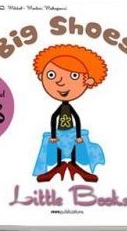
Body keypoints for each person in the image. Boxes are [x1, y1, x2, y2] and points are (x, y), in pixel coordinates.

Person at [32, 44, 107, 182]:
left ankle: (73, 165)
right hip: (59, 132)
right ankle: (59, 166)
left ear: (87, 81)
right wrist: (53, 135)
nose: (61, 82)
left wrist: (78, 135)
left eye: (74, 75)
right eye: (51, 75)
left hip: (71, 131)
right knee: (56, 146)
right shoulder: (60, 109)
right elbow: (54, 118)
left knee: (75, 145)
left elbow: (77, 120)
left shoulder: (69, 108)